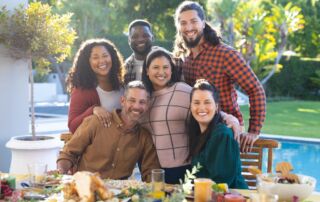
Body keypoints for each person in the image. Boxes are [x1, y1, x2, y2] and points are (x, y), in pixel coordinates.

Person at [173, 1, 266, 152]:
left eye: (193, 21)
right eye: (183, 23)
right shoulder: (183, 59)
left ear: (203, 23)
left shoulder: (225, 54)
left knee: (222, 175)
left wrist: (254, 130)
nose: (188, 27)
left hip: (226, 131)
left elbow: (255, 89)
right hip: (197, 133)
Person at [140, 47, 241, 184]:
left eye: (166, 67)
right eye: (155, 67)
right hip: (155, 169)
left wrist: (228, 117)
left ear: (172, 70)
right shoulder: (144, 98)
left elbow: (203, 102)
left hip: (183, 167)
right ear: (147, 71)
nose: (161, 72)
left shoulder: (181, 89)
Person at [57, 81, 160, 182]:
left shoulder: (144, 137)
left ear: (147, 105)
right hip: (86, 189)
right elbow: (68, 154)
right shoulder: (95, 122)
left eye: (142, 102)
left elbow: (151, 172)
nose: (137, 106)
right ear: (123, 101)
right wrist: (61, 172)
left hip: (120, 195)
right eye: (132, 100)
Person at [188, 79, 248, 189]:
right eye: (196, 102)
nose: (201, 107)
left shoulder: (222, 135)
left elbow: (222, 184)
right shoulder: (198, 133)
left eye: (207, 102)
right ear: (190, 106)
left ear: (216, 107)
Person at [66, 38, 125, 133]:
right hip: (100, 146)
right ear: (87, 62)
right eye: (95, 57)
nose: (101, 61)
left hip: (126, 144)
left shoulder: (123, 86)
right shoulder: (82, 91)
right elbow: (72, 126)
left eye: (105, 56)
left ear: (112, 58)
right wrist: (93, 110)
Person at [124, 19, 154, 83]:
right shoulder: (124, 68)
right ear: (129, 40)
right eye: (135, 36)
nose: (140, 39)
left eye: (145, 35)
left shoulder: (170, 61)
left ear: (152, 38)